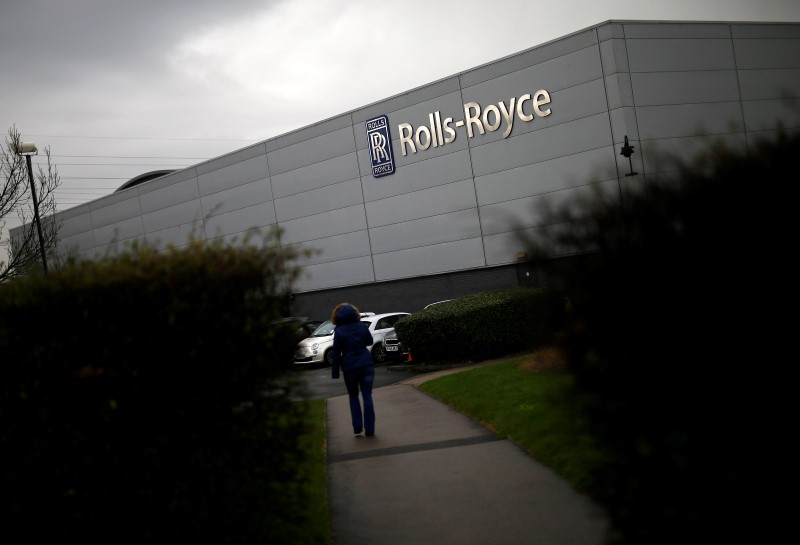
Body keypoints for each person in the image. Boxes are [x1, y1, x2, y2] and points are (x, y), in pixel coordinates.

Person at [330, 302, 375, 436]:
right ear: (355, 313)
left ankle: (357, 426)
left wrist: (335, 371)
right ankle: (370, 428)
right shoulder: (362, 326)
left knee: (353, 396)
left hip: (350, 368)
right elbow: (369, 341)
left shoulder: (339, 331)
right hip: (366, 364)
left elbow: (336, 353)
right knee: (367, 396)